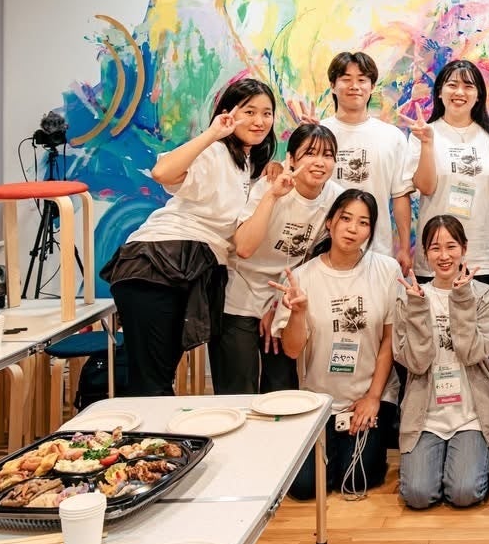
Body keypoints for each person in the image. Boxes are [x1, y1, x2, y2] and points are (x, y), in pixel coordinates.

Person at [101, 77, 276, 397]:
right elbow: (162, 173)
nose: (259, 121)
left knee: (157, 376)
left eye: (267, 113)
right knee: (152, 382)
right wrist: (212, 133)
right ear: (228, 114)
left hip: (191, 266)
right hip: (159, 263)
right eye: (249, 112)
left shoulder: (246, 163)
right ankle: (144, 431)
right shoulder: (214, 150)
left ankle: (151, 428)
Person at [276, 189, 401, 500]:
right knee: (305, 488)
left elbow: (389, 340)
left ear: (371, 231)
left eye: (363, 222)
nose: (352, 228)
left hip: (367, 396)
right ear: (330, 222)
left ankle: (353, 447)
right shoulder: (302, 277)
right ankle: (330, 444)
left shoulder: (386, 270)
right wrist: (298, 314)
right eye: (345, 218)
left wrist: (373, 397)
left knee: (356, 479)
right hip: (318, 401)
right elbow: (292, 350)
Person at [214, 123, 342, 395]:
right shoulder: (271, 185)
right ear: (291, 159)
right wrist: (272, 195)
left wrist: (277, 305)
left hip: (283, 295)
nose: (319, 162)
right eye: (310, 153)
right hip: (240, 292)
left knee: (281, 389)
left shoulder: (335, 198)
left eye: (328, 155)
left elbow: (312, 259)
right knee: (238, 388)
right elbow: (244, 248)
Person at [393, 216, 489, 509]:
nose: (444, 256)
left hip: (470, 414)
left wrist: (462, 298)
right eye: (435, 248)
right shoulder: (411, 297)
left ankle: (471, 465)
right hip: (426, 415)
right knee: (417, 495)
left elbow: (472, 353)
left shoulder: (485, 296)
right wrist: (418, 308)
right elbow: (416, 363)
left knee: (464, 493)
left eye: (451, 246)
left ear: (464, 248)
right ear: (425, 254)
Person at [298, 51, 415, 273]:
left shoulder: (392, 137)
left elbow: (400, 195)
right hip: (321, 247)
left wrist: (404, 247)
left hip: (377, 249)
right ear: (333, 86)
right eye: (346, 79)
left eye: (362, 80)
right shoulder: (319, 133)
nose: (355, 86)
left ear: (372, 86)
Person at [401, 60, 489, 285]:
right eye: (452, 85)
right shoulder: (423, 133)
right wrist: (427, 143)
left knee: (481, 308)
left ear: (478, 95)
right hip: (437, 253)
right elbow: (426, 187)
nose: (460, 92)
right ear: (440, 92)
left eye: (468, 86)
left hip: (483, 252)